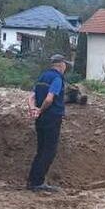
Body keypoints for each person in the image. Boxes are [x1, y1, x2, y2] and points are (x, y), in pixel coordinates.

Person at [26, 54, 71, 192]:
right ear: (61, 65)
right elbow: (50, 98)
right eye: (65, 65)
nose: (65, 68)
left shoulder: (42, 77)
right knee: (49, 151)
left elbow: (32, 96)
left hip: (40, 119)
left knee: (41, 150)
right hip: (52, 117)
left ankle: (32, 181)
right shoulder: (57, 78)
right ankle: (37, 183)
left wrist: (33, 108)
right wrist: (41, 109)